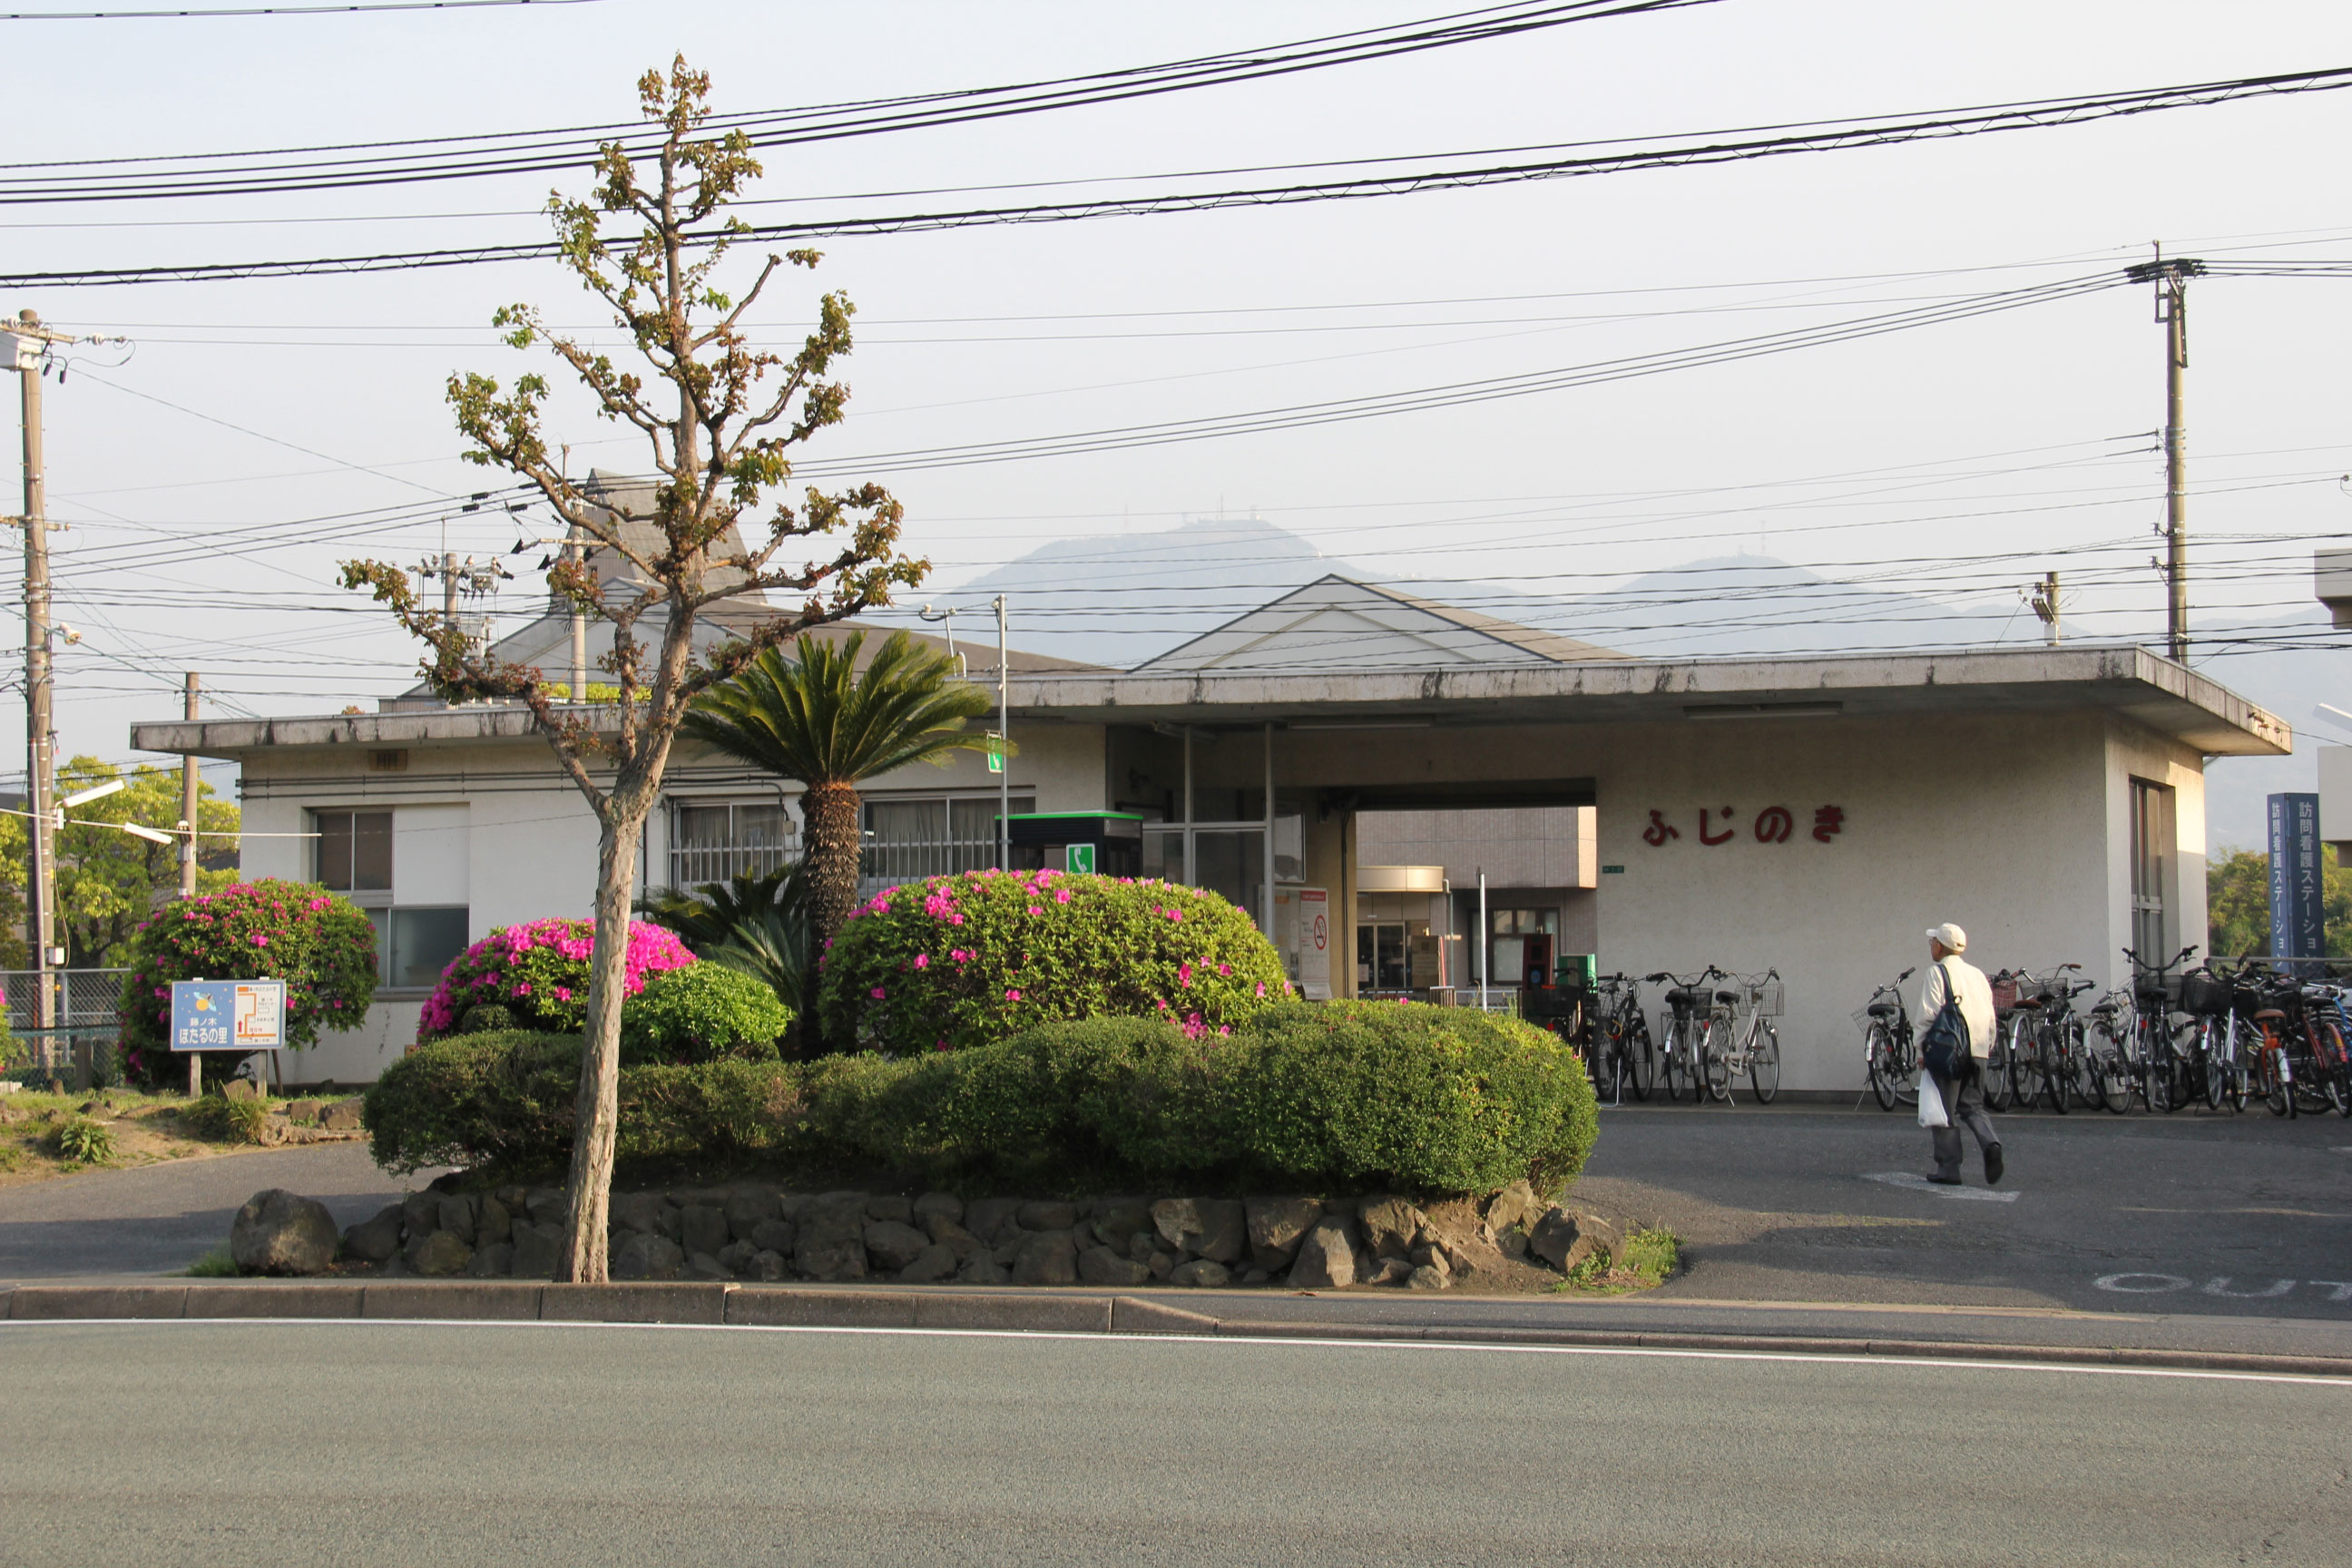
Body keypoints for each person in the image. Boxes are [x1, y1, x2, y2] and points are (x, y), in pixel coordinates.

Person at [1918, 922, 2004, 1186]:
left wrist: (1920, 1048)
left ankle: (1949, 1168)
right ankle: (1991, 1143)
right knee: (1973, 1106)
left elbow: (1928, 1014)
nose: (1930, 945)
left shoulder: (1937, 973)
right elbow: (1990, 1015)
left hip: (1949, 1052)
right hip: (1978, 1051)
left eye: (1933, 941)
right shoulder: (1977, 975)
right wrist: (1987, 1046)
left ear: (1941, 946)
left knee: (1944, 1111)